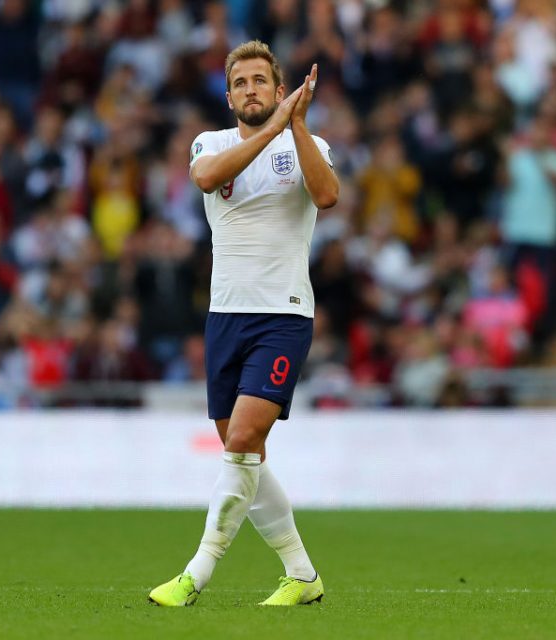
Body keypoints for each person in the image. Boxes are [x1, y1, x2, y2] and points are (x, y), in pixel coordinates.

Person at [149, 40, 338, 607]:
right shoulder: (210, 143)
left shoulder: (310, 143)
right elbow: (207, 179)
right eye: (240, 83)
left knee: (244, 440)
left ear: (280, 90)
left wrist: (295, 127)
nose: (250, 90)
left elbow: (327, 195)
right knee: (244, 454)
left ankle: (195, 574)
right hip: (225, 315)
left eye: (261, 81)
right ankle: (302, 575)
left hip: (282, 314)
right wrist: (274, 125)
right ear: (230, 96)